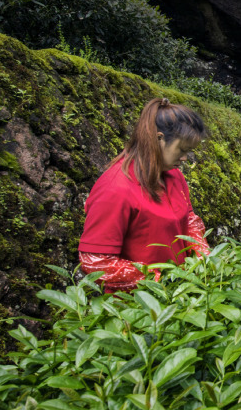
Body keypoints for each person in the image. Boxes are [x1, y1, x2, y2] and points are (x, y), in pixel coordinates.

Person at [79, 98, 209, 292]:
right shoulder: (115, 188)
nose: (184, 158)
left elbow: (189, 220)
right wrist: (160, 281)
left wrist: (204, 259)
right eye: (182, 150)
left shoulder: (174, 176)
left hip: (179, 294)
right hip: (135, 308)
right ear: (158, 138)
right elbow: (96, 261)